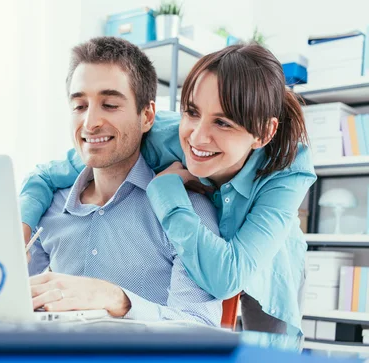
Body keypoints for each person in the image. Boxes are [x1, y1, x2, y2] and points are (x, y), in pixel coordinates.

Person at [19, 39, 316, 336]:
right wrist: (19, 227)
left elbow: (226, 280)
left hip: (266, 257)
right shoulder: (161, 135)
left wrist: (163, 192)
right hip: (196, 245)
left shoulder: (288, 171)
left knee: (273, 350)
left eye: (223, 123)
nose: (197, 137)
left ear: (264, 133)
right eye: (192, 112)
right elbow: (51, 173)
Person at [27, 36, 222, 325]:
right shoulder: (49, 209)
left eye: (109, 104)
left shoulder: (186, 212)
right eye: (80, 106)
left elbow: (200, 329)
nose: (90, 122)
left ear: (147, 116)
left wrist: (118, 299)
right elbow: (15, 306)